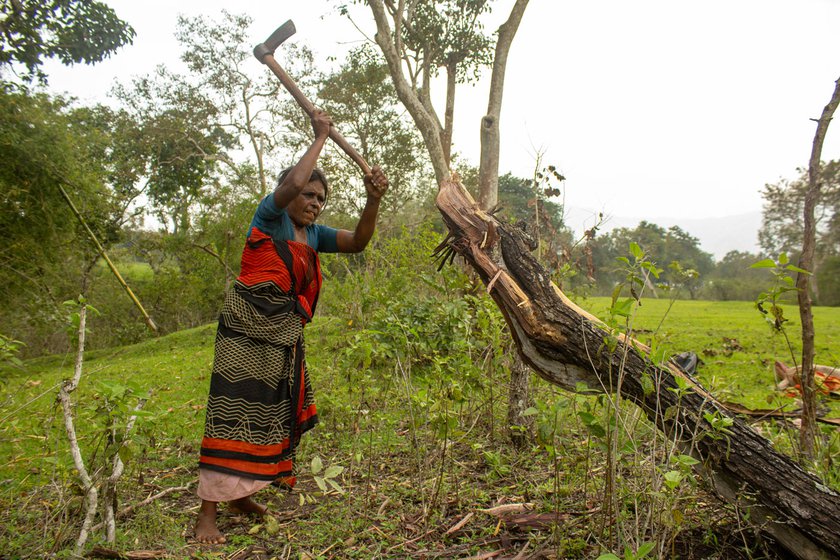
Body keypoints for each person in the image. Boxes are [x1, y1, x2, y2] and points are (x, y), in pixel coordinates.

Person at [194, 110, 389, 544]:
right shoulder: (270, 217)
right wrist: (320, 136)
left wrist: (373, 198)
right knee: (229, 414)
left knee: (268, 415)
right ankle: (207, 513)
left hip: (283, 336)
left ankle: (243, 496)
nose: (314, 202)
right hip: (245, 334)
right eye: (309, 194)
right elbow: (287, 187)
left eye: (321, 198)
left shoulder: (313, 235)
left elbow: (358, 242)